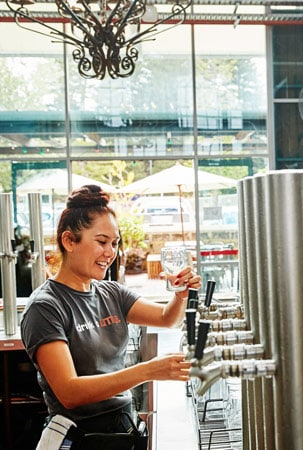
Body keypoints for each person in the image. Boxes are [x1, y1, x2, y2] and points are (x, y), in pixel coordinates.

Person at [20, 185, 201, 447]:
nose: (110, 252)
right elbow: (69, 392)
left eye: (114, 243)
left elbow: (166, 318)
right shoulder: (45, 307)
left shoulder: (112, 292)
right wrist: (148, 370)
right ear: (69, 241)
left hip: (122, 431)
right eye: (102, 242)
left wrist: (181, 294)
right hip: (79, 438)